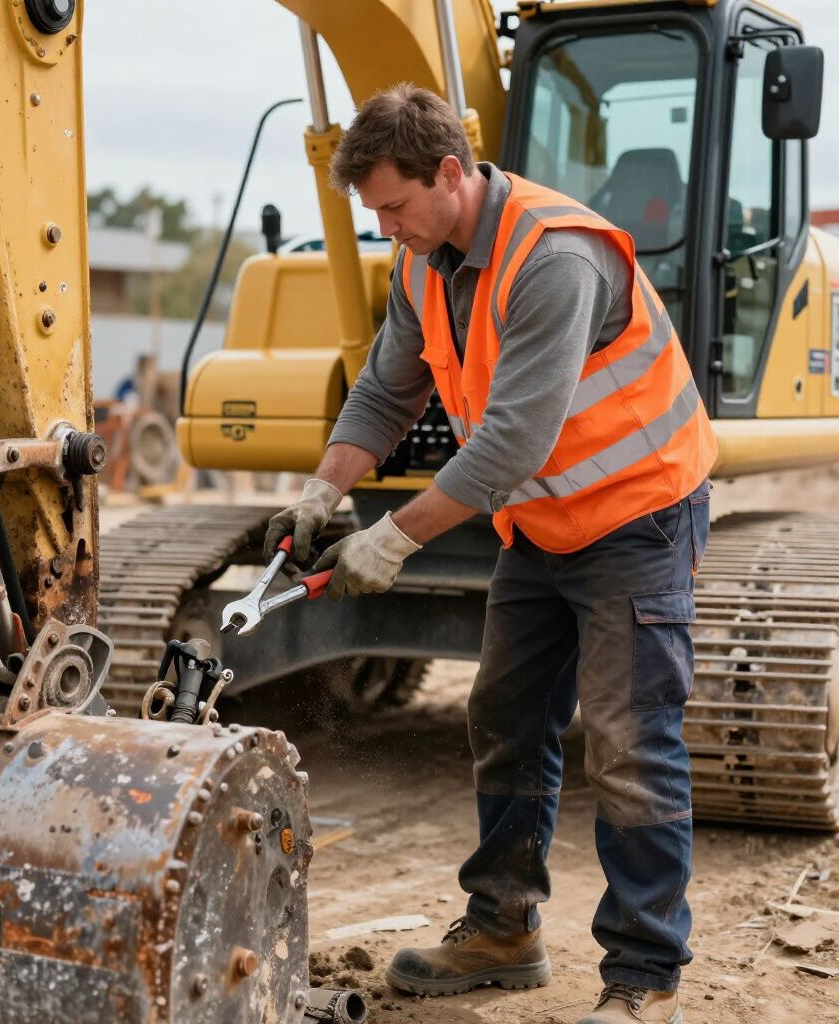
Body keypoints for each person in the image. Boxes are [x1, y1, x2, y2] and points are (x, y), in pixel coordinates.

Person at [263, 84, 717, 1024]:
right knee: (506, 715)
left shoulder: (554, 259)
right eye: (374, 214)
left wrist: (392, 537)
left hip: (636, 520)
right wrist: (323, 491)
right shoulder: (426, 262)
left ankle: (644, 979)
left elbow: (511, 439)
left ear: (450, 173)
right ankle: (504, 928)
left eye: (394, 207)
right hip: (542, 526)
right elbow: (386, 394)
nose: (388, 229)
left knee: (630, 747)